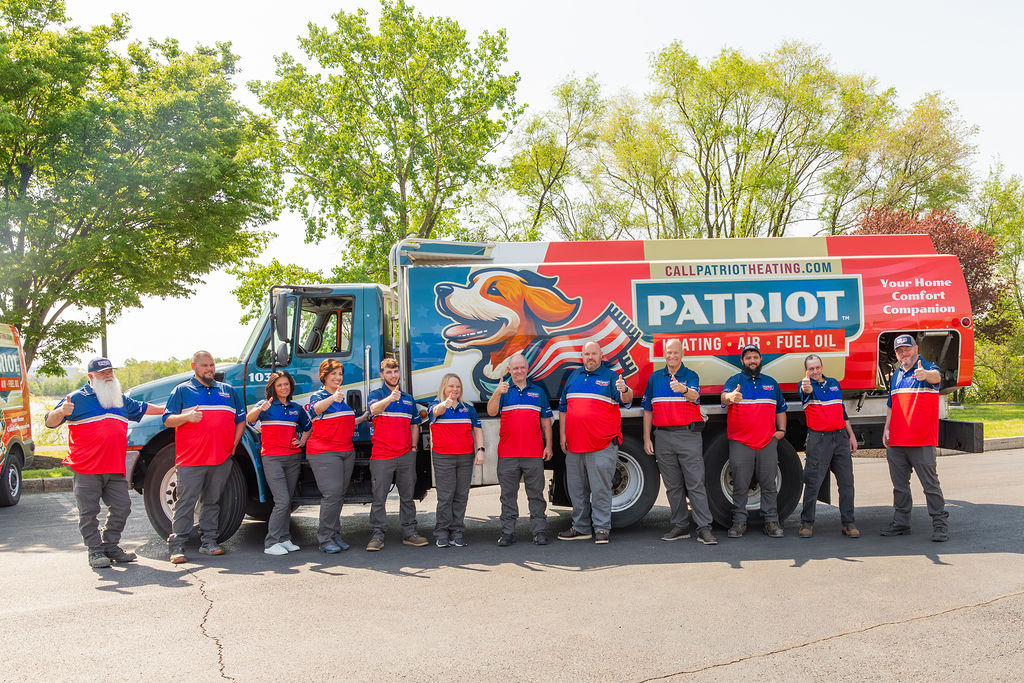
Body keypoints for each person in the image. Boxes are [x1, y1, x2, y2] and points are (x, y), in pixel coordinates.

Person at [44, 358, 163, 568]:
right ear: (91, 377)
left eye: (110, 371)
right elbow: (49, 422)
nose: (108, 375)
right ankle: (95, 551)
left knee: (122, 507)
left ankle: (110, 545)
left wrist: (169, 410)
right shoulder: (77, 398)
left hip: (114, 468)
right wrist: (61, 412)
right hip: (86, 469)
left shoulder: (120, 399)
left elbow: (144, 408)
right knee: (88, 513)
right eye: (102, 373)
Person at [162, 350, 246, 564]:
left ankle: (209, 543)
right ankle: (177, 546)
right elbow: (167, 419)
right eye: (204, 366)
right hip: (191, 460)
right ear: (194, 367)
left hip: (221, 459)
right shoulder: (182, 390)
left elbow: (240, 420)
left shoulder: (228, 390)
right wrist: (187, 417)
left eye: (211, 365)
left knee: (212, 501)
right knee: (185, 502)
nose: (209, 369)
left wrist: (233, 445)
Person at [641, 339, 717, 546]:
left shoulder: (690, 376)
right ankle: (681, 525)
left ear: (682, 354)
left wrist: (682, 389)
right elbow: (648, 410)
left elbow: (694, 396)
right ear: (664, 355)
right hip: (663, 437)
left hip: (688, 436)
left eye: (675, 352)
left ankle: (704, 528)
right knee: (673, 486)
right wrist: (647, 438)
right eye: (668, 352)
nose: (672, 356)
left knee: (695, 484)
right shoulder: (655, 378)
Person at [557, 340, 633, 544]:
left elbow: (626, 399)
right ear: (582, 357)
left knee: (600, 488)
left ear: (601, 356)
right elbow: (563, 408)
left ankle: (601, 529)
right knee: (576, 489)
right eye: (586, 354)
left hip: (601, 444)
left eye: (594, 354)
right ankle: (581, 527)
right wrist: (563, 436)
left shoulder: (610, 378)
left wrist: (625, 389)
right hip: (574, 445)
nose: (590, 358)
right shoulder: (574, 377)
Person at [881, 334, 949, 542]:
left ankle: (940, 526)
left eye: (907, 349)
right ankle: (901, 523)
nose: (904, 353)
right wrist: (886, 429)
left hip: (921, 440)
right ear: (896, 353)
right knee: (899, 486)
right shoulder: (897, 374)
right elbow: (892, 404)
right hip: (898, 439)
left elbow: (937, 378)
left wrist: (926, 374)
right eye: (900, 351)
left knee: (930, 485)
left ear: (916, 348)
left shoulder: (927, 367)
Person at [720, 344, 787, 539]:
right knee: (740, 485)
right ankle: (739, 523)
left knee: (769, 485)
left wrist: (781, 431)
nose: (752, 361)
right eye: (748, 358)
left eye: (755, 357)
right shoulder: (734, 381)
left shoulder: (771, 383)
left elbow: (780, 408)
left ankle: (771, 522)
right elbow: (724, 398)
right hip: (741, 442)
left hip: (767, 442)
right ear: (742, 361)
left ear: (760, 359)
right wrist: (731, 397)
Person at [487, 353, 553, 546]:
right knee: (508, 496)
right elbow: (491, 412)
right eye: (515, 368)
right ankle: (507, 533)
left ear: (527, 369)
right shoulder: (503, 390)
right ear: (509, 370)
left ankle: (539, 532)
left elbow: (546, 422)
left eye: (522, 367)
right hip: (508, 454)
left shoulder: (538, 392)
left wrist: (548, 445)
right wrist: (497, 392)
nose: (519, 371)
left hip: (533, 453)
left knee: (536, 495)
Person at [305, 359, 369, 553]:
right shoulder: (320, 396)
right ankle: (325, 540)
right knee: (331, 495)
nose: (338, 377)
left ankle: (335, 535)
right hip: (325, 453)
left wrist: (362, 418)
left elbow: (343, 423)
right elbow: (315, 410)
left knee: (339, 496)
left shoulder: (340, 398)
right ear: (324, 376)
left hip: (345, 451)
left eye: (340, 374)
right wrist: (333, 398)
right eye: (333, 374)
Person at [365, 358, 429, 551]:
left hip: (405, 455)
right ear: (382, 375)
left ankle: (410, 533)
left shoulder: (408, 399)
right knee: (379, 497)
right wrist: (390, 399)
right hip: (382, 455)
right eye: (389, 372)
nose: (393, 375)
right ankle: (377, 535)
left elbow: (414, 424)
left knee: (407, 497)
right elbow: (373, 410)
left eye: (396, 372)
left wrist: (413, 448)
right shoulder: (376, 395)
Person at [246, 371, 312, 556]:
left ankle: (284, 538)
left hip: (292, 458)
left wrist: (303, 441)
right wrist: (260, 409)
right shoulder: (265, 405)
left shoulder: (295, 408)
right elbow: (249, 419)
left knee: (287, 501)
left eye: (286, 384)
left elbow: (308, 427)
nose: (284, 388)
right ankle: (271, 542)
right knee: (281, 501)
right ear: (273, 388)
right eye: (280, 385)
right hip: (272, 458)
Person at [798, 354, 860, 539]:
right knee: (812, 483)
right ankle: (806, 523)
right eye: (811, 369)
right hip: (819, 440)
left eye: (817, 367)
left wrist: (851, 435)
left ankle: (848, 523)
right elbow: (805, 391)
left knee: (847, 483)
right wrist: (807, 387)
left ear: (822, 367)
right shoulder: (805, 386)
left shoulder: (834, 383)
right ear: (806, 371)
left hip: (840, 438)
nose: (815, 372)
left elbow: (842, 412)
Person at [428, 374, 485, 548]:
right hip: (443, 457)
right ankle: (442, 532)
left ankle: (457, 531)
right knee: (445, 496)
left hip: (465, 457)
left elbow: (477, 429)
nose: (455, 390)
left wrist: (480, 450)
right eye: (451, 386)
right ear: (444, 387)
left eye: (458, 387)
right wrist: (443, 405)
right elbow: (434, 413)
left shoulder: (468, 408)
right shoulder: (434, 405)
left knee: (461, 496)